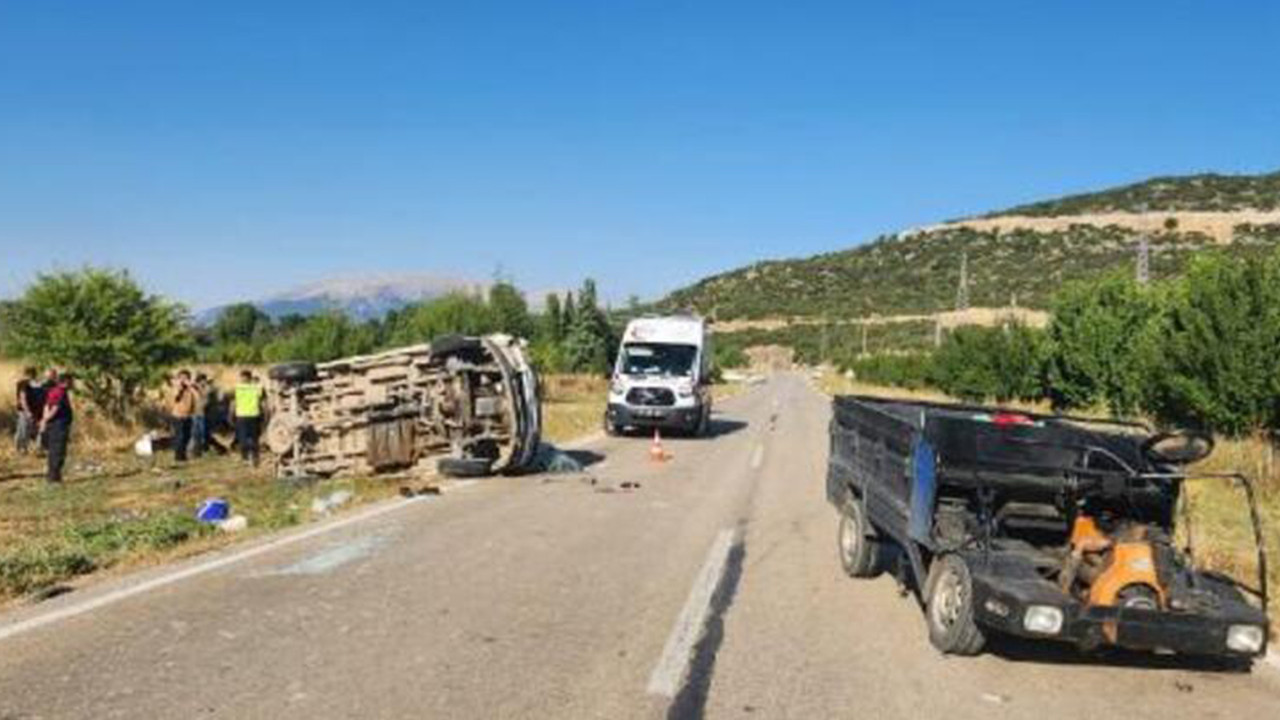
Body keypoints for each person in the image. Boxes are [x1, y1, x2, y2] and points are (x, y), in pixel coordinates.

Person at [39, 371, 74, 484]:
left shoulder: (54, 391)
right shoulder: (60, 392)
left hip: (55, 425)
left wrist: (44, 420)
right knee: (58, 451)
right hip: (58, 426)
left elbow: (46, 406)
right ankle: (53, 478)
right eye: (71, 381)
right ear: (66, 381)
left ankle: (54, 476)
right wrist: (46, 420)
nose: (73, 384)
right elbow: (54, 408)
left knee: (54, 451)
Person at [231, 370, 266, 466]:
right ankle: (254, 457)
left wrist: (231, 415)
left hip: (242, 416)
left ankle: (245, 457)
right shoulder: (256, 388)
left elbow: (233, 402)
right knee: (254, 438)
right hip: (253, 415)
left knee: (243, 438)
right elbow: (263, 401)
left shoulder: (237, 388)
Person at [170, 370, 197, 462]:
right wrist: (180, 388)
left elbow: (197, 397)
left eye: (185, 378)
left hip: (188, 415)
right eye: (181, 377)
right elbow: (175, 397)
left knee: (187, 436)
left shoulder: (190, 389)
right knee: (179, 436)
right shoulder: (177, 387)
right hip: (178, 416)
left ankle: (183, 454)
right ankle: (178, 456)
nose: (183, 380)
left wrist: (191, 386)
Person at [14, 366, 41, 454]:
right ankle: (21, 448)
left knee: (30, 429)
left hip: (33, 410)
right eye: (32, 374)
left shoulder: (35, 383)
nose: (33, 376)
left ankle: (27, 447)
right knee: (23, 429)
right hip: (24, 410)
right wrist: (28, 411)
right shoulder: (23, 383)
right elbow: (23, 399)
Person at [191, 373, 211, 458]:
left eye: (204, 380)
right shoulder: (193, 389)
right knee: (195, 433)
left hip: (203, 413)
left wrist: (200, 388)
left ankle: (202, 449)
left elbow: (206, 399)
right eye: (201, 381)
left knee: (203, 432)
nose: (203, 382)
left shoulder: (206, 388)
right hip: (194, 413)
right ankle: (195, 450)